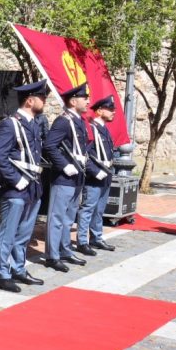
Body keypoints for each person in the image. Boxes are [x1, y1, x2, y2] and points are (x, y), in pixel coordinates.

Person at [0, 79, 49, 292]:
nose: (44, 101)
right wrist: (15, 179)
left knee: (24, 233)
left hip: (33, 187)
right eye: (42, 97)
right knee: (8, 233)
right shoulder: (10, 123)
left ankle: (18, 268)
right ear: (30, 100)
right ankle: (2, 272)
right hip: (15, 189)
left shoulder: (34, 123)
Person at [43, 82, 90, 272]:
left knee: (69, 217)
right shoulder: (63, 121)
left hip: (78, 174)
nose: (87, 101)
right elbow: (49, 146)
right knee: (57, 216)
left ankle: (65, 249)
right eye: (84, 98)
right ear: (72, 101)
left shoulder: (79, 121)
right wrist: (64, 165)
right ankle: (52, 255)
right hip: (65, 176)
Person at [76, 95, 117, 254]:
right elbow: (85, 154)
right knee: (88, 208)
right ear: (99, 111)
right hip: (94, 177)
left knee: (99, 209)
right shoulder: (91, 129)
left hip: (105, 174)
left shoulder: (104, 129)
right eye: (110, 109)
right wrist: (95, 171)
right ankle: (82, 241)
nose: (113, 112)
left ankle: (96, 237)